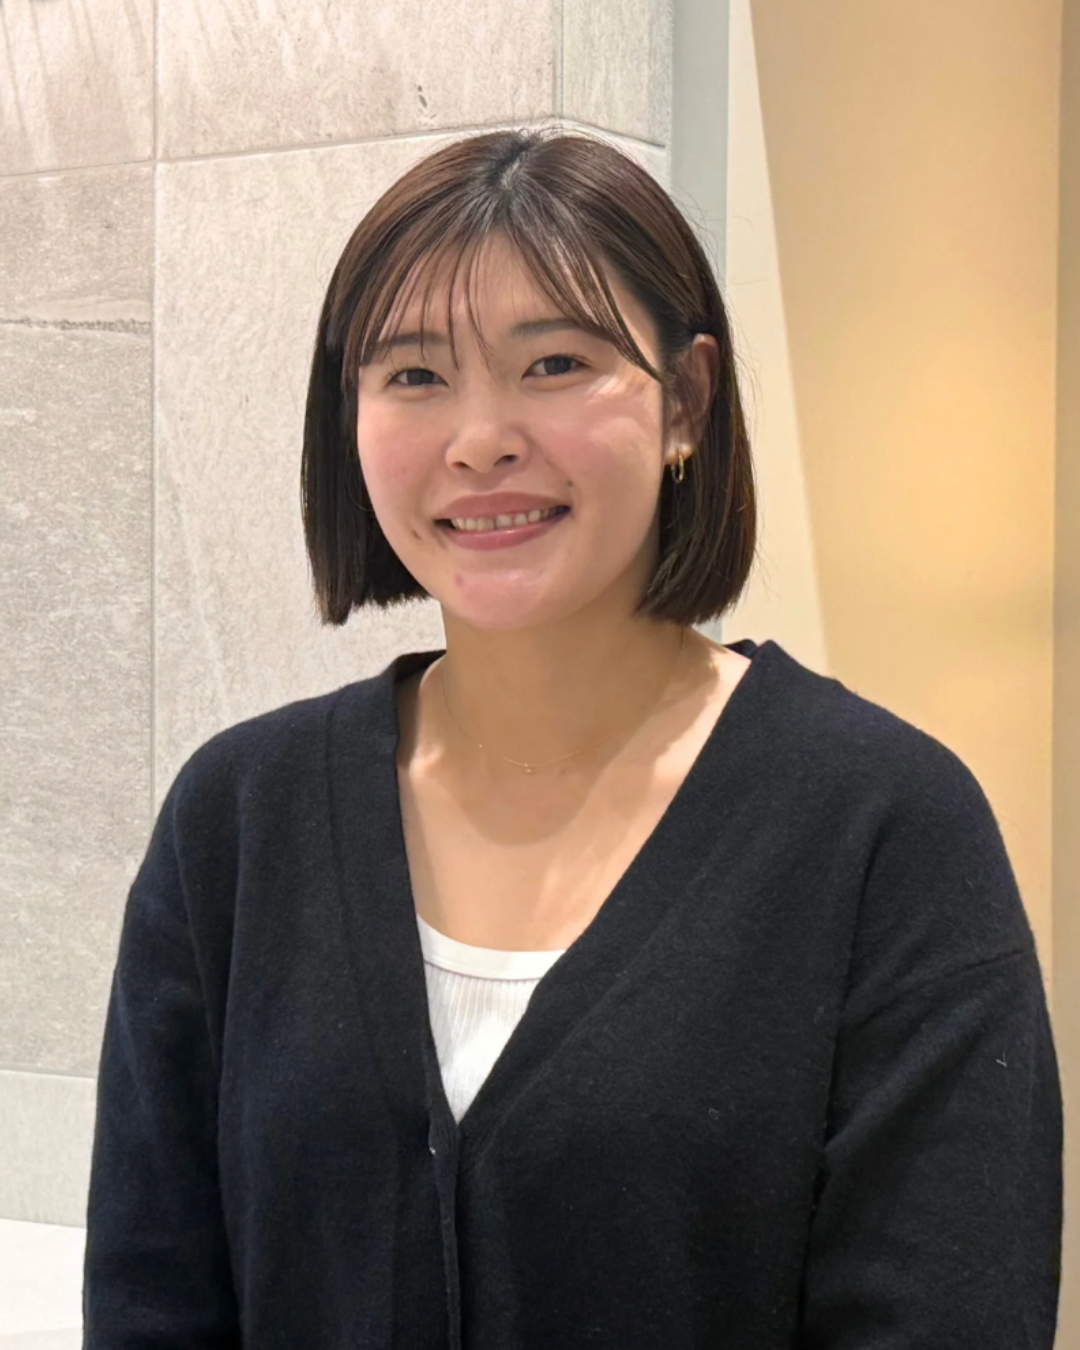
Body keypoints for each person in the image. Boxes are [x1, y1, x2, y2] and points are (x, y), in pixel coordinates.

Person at [82, 127, 1063, 1348]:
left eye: (555, 363)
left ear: (686, 401)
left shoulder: (883, 828)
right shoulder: (238, 819)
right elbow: (152, 1298)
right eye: (414, 375)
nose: (480, 438)